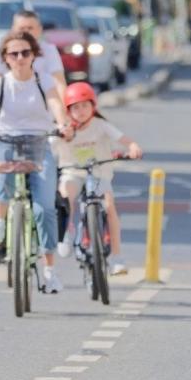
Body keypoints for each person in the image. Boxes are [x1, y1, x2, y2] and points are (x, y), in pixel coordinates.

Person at [0, 31, 73, 293]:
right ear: (5, 58)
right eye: (13, 54)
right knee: (2, 168)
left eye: (25, 52)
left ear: (34, 55)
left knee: (44, 208)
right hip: (8, 142)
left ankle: (49, 270)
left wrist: (63, 124)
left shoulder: (44, 80)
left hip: (40, 143)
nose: (20, 58)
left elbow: (56, 105)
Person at [54, 82, 142, 276]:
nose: (81, 111)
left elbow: (124, 140)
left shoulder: (101, 125)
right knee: (65, 196)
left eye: (85, 105)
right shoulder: (65, 129)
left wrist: (133, 147)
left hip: (99, 173)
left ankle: (117, 258)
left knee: (109, 207)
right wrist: (60, 135)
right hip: (73, 173)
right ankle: (66, 232)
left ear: (93, 106)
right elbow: (48, 146)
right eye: (76, 107)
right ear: (68, 111)